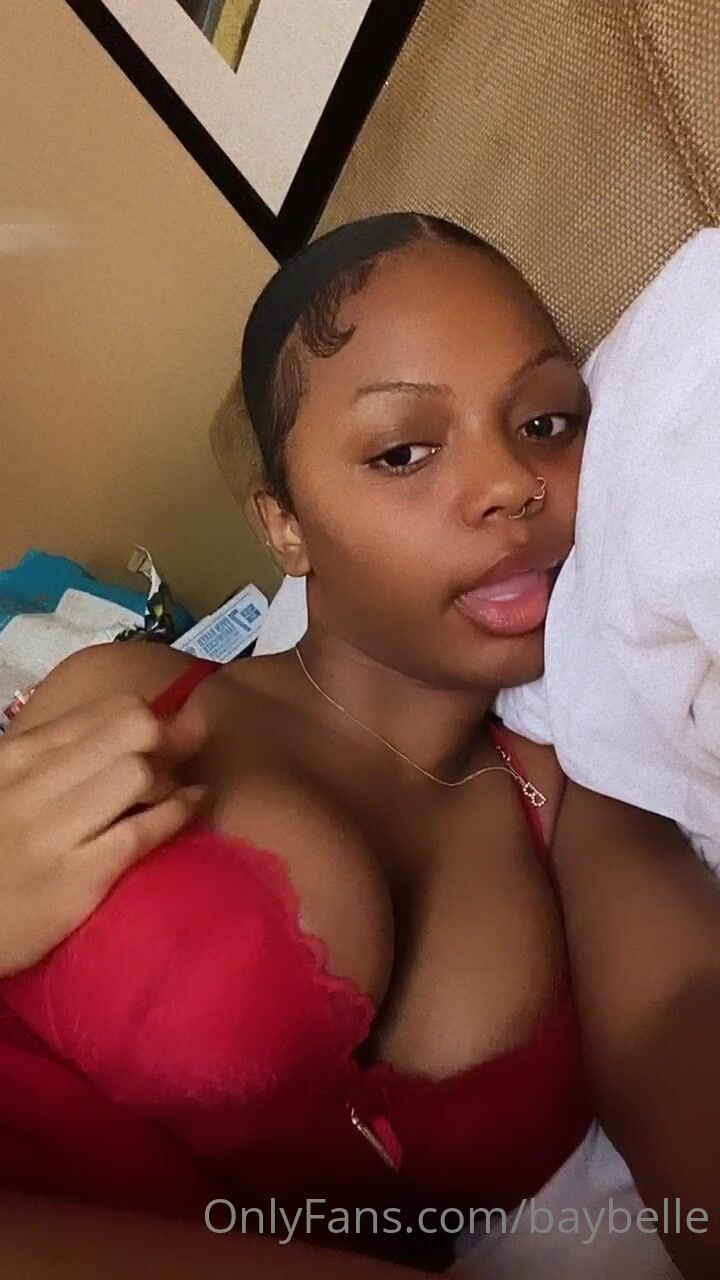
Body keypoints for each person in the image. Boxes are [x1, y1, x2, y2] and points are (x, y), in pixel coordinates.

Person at [0, 213, 718, 1279]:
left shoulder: (585, 776)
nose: (510, 483)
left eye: (547, 422)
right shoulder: (137, 701)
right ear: (284, 528)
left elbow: (673, 1012)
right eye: (404, 451)